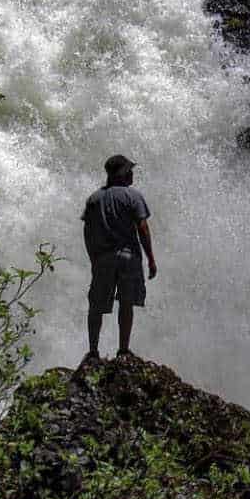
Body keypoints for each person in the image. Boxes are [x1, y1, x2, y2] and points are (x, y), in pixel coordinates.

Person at [81, 154, 157, 361]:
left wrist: (93, 258)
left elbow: (88, 232)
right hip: (128, 257)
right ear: (121, 173)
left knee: (96, 305)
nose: (132, 174)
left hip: (103, 258)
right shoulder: (133, 196)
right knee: (126, 303)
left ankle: (93, 351)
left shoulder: (94, 199)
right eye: (129, 170)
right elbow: (142, 227)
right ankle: (123, 350)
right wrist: (150, 258)